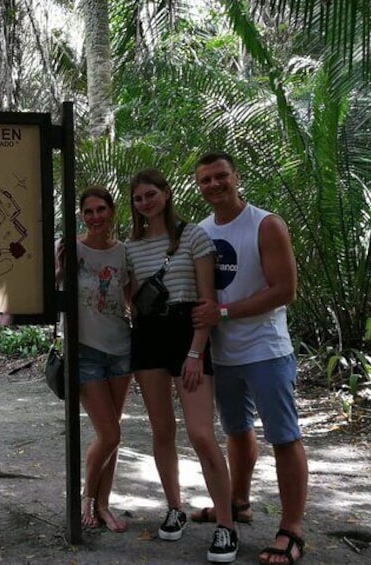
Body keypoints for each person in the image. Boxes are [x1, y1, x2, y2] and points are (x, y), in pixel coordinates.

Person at [192, 152, 308, 565]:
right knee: (237, 430)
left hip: (265, 350)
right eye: (205, 180)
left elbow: (284, 290)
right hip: (223, 354)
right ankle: (237, 503)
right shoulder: (201, 232)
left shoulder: (265, 224)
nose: (213, 185)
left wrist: (223, 314)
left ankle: (291, 529)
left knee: (284, 436)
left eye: (220, 176)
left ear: (236, 177)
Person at [125, 168, 238, 563]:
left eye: (151, 194)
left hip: (187, 333)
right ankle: (175, 507)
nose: (145, 203)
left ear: (167, 193)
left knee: (201, 433)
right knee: (161, 429)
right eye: (138, 198)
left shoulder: (193, 236)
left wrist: (195, 352)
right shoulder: (131, 246)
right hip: (148, 339)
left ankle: (226, 524)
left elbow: (207, 303)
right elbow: (129, 296)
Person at [55, 187, 132, 532]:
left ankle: (104, 504)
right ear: (81, 216)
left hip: (120, 350)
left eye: (101, 210)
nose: (95, 217)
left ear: (111, 212)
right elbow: (54, 289)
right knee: (111, 433)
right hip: (84, 350)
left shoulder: (122, 253)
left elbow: (130, 299)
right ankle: (87, 497)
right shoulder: (71, 248)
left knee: (111, 434)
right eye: (88, 211)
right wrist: (59, 269)